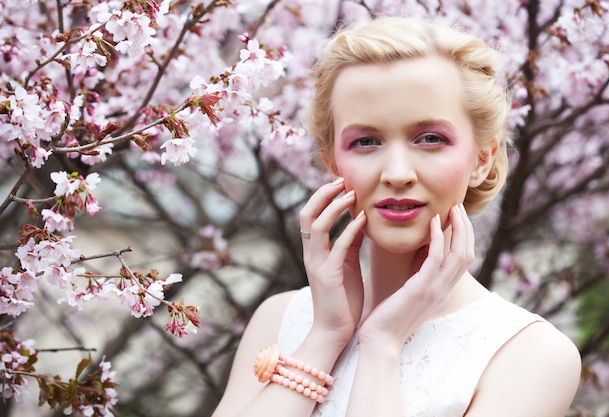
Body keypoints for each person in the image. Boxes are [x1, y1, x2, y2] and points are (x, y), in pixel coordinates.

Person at [211, 15, 581, 417]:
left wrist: (383, 342)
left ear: (482, 158)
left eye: (431, 139)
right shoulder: (280, 319)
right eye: (366, 142)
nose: (398, 174)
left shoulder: (531, 355)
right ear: (332, 161)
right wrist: (325, 336)